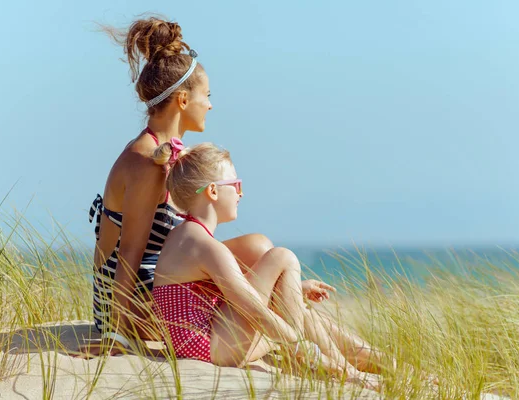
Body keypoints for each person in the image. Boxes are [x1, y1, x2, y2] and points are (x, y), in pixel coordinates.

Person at [83, 17, 275, 356]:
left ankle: (350, 352)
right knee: (265, 284)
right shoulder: (146, 163)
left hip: (165, 283)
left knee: (261, 248)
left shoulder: (174, 154)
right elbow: (128, 253)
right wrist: (116, 334)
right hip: (131, 301)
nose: (211, 105)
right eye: (208, 95)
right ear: (184, 100)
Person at [141, 141, 390, 382]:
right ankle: (346, 371)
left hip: (204, 345)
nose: (241, 192)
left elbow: (228, 296)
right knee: (282, 257)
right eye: (236, 185)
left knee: (301, 313)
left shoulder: (185, 236)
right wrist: (298, 346)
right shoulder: (206, 247)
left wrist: (293, 291)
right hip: (214, 349)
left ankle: (381, 365)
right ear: (213, 191)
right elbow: (253, 309)